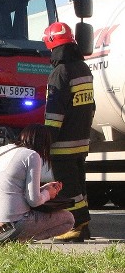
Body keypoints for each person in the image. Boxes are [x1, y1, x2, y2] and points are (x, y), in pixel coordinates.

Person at [42, 21, 96, 242]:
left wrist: (46, 138)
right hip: (81, 141)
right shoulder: (83, 69)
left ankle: (76, 225)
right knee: (79, 185)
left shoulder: (59, 73)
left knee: (68, 187)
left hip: (62, 143)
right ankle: (83, 226)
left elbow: (54, 113)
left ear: (53, 45)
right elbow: (91, 106)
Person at [0, 124, 74, 243]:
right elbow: (34, 201)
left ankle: (10, 243)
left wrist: (43, 188)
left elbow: (10, 189)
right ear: (44, 143)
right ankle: (19, 241)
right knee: (68, 219)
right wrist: (48, 193)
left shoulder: (2, 150)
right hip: (8, 228)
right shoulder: (32, 155)